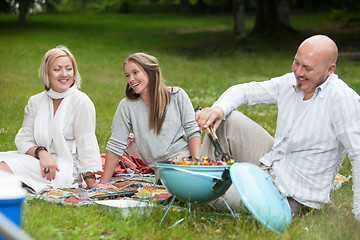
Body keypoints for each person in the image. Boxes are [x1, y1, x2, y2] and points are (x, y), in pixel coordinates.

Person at [195, 35, 360, 221]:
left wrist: (358, 212)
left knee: (203, 195)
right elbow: (244, 91)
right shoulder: (290, 82)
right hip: (272, 164)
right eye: (296, 63)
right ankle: (200, 177)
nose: (298, 72)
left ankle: (198, 191)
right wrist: (218, 109)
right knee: (227, 118)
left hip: (291, 195)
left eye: (307, 68)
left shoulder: (344, 100)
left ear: (330, 70)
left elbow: (358, 154)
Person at [0, 45, 102, 193]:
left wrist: (91, 183)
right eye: (57, 69)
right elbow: (23, 139)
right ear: (47, 73)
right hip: (38, 160)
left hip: (65, 168)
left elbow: (86, 143)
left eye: (69, 68)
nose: (64, 74)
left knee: (2, 169)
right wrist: (42, 153)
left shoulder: (81, 101)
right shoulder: (35, 101)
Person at [94, 53, 201, 189]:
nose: (131, 79)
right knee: (184, 187)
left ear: (150, 72)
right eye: (127, 75)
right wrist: (103, 183)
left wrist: (198, 166)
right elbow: (116, 145)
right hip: (164, 169)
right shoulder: (127, 106)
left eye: (135, 72)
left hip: (188, 158)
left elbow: (193, 131)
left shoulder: (177, 95)